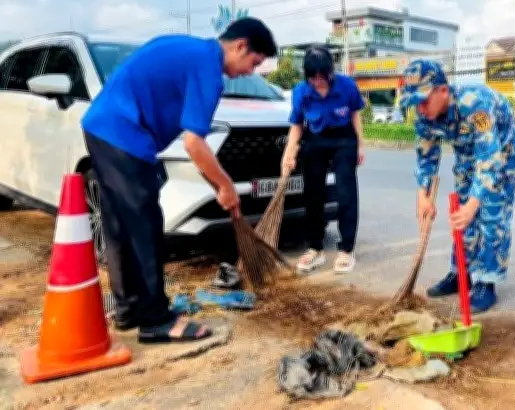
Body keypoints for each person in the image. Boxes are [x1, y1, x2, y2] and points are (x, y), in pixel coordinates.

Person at [80, 17, 278, 343]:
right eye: (253, 63)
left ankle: (129, 310)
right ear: (241, 45)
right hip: (124, 134)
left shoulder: (188, 47)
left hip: (101, 127)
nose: (249, 72)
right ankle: (156, 320)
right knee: (144, 229)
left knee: (120, 227)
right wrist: (225, 186)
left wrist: (219, 185)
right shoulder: (208, 69)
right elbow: (194, 143)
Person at [399, 59, 515, 313]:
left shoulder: (475, 104)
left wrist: (474, 205)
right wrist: (422, 196)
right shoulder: (424, 117)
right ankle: (461, 273)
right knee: (462, 215)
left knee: (490, 213)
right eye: (415, 103)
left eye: (423, 101)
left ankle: (487, 280)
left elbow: (490, 158)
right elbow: (426, 157)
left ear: (443, 91)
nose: (420, 109)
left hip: (503, 148)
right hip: (467, 152)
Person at [281, 45, 365, 274]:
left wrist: (360, 145)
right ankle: (314, 248)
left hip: (343, 139)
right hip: (315, 139)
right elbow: (297, 124)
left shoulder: (347, 85)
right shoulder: (301, 92)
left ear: (330, 71)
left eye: (322, 76)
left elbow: (356, 115)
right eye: (312, 77)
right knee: (312, 194)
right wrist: (290, 151)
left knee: (346, 192)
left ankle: (347, 249)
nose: (318, 81)